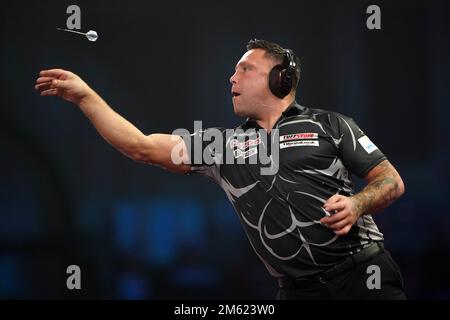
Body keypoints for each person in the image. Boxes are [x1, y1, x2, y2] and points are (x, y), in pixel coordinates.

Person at [35, 39, 406, 300]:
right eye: (233, 71)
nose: (232, 78)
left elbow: (391, 180)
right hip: (296, 291)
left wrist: (357, 204)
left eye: (245, 69)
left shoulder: (331, 124)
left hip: (363, 276)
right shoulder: (221, 146)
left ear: (280, 79)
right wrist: (86, 97)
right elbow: (141, 146)